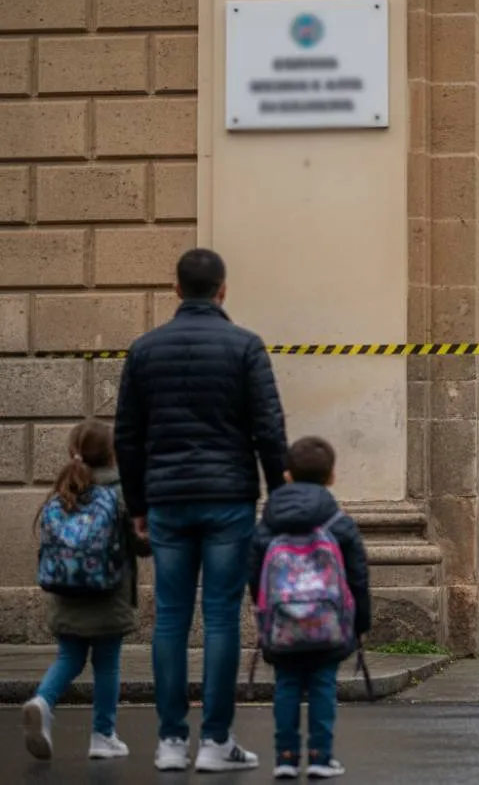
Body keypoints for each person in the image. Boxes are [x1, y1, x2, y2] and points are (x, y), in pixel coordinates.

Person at [114, 247, 288, 772]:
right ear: (223, 290)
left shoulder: (145, 350)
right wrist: (278, 498)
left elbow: (127, 435)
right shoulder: (245, 347)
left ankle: (170, 741)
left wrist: (137, 504)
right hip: (228, 499)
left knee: (168, 618)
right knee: (219, 618)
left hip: (166, 499)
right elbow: (269, 428)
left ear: (175, 289)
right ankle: (215, 741)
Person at [23, 420, 151, 762]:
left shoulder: (65, 488)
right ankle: (103, 736)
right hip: (109, 597)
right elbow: (141, 547)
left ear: (72, 453)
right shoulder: (122, 492)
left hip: (66, 596)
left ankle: (42, 700)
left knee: (69, 658)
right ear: (114, 454)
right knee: (107, 664)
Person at [248, 436, 370, 780]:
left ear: (287, 475)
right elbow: (358, 576)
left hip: (282, 622)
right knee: (322, 686)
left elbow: (255, 572)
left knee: (285, 685)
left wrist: (263, 613)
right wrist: (361, 621)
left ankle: (285, 757)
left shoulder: (270, 522)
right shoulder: (338, 523)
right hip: (327, 624)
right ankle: (320, 755)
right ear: (331, 477)